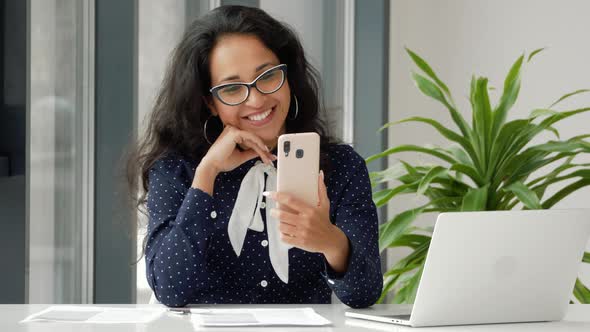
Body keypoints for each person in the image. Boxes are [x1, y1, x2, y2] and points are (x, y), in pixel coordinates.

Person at [128, 5, 382, 308]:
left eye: (268, 76)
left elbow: (365, 293)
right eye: (233, 88)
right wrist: (207, 173)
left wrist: (330, 241)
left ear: (287, 76)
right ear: (210, 102)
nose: (257, 99)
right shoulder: (176, 169)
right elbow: (170, 289)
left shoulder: (341, 167)